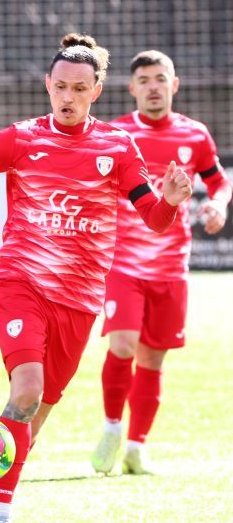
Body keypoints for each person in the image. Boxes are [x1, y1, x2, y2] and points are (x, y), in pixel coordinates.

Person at [0, 34, 193, 523]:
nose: (68, 97)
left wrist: (168, 199)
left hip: (79, 299)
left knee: (35, 409)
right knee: (27, 388)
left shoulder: (118, 147)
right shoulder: (21, 138)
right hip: (20, 281)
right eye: (60, 87)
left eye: (80, 88)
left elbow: (155, 219)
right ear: (47, 86)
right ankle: (0, 517)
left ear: (97, 91)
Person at [90, 51, 230, 476]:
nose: (153, 86)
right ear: (132, 88)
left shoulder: (195, 134)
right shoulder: (116, 134)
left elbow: (218, 181)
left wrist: (218, 206)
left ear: (174, 84)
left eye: (160, 78)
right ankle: (113, 427)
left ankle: (136, 446)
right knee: (123, 346)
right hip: (125, 264)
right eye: (144, 80)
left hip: (171, 268)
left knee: (152, 361)